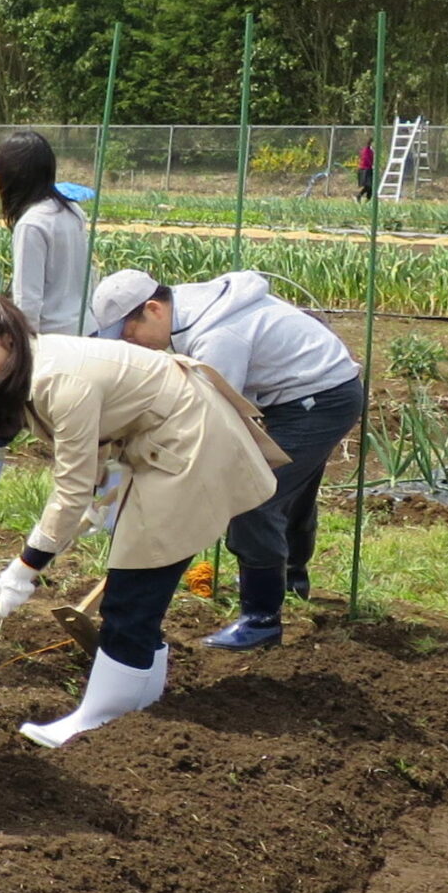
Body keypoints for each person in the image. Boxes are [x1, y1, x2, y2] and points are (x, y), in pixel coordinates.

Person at [0, 292, 280, 748]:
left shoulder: (59, 379)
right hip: (161, 445)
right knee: (140, 593)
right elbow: (93, 453)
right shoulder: (37, 372)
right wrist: (103, 499)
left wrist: (26, 568)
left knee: (132, 595)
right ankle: (139, 708)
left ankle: (96, 719)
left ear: (6, 336)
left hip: (187, 446)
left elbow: (71, 487)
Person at [90, 267, 365, 651]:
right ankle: (290, 579)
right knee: (290, 487)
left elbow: (213, 417)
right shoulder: (189, 309)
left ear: (152, 309)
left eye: (129, 332)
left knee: (253, 494)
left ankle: (262, 618)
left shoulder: (216, 335)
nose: (131, 342)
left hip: (320, 399)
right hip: (303, 393)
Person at [0, 132, 91, 509]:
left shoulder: (32, 224)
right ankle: (101, 514)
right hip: (84, 333)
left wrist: (18, 349)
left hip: (48, 338)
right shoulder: (72, 211)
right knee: (84, 432)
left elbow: (27, 298)